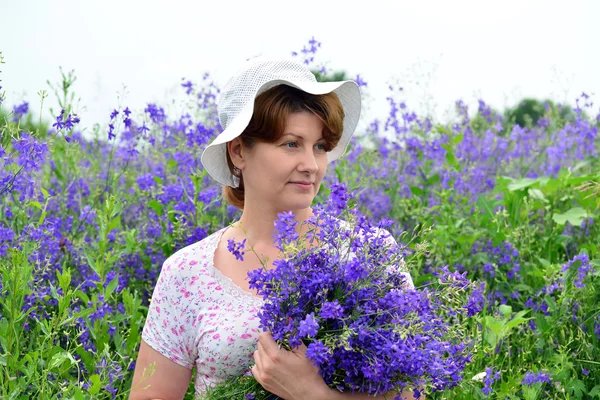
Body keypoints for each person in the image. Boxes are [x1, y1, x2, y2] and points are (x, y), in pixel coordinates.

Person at [129, 57, 419, 400]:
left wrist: (315, 394)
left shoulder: (368, 253)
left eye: (320, 147)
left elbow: (414, 392)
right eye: (291, 144)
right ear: (239, 151)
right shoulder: (187, 272)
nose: (311, 165)